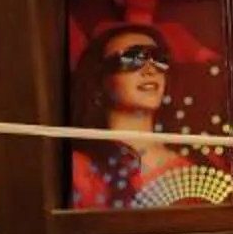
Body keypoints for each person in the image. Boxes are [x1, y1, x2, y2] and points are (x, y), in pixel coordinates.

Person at [66, 23, 204, 209]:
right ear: (100, 83)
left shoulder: (199, 161)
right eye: (132, 59)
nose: (150, 70)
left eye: (159, 59)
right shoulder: (79, 169)